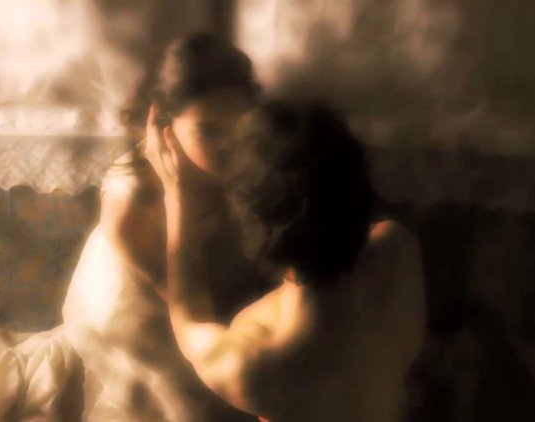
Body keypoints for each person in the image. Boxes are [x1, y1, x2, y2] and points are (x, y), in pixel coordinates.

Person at [146, 100, 427, 422]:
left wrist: (176, 193)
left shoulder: (252, 368)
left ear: (251, 221)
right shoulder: (397, 250)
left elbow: (190, 321)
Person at [61, 33, 270, 421]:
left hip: (202, 307)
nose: (228, 146)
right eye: (208, 130)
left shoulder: (237, 167)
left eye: (238, 129)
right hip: (140, 318)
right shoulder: (132, 193)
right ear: (163, 123)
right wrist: (179, 198)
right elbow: (179, 299)